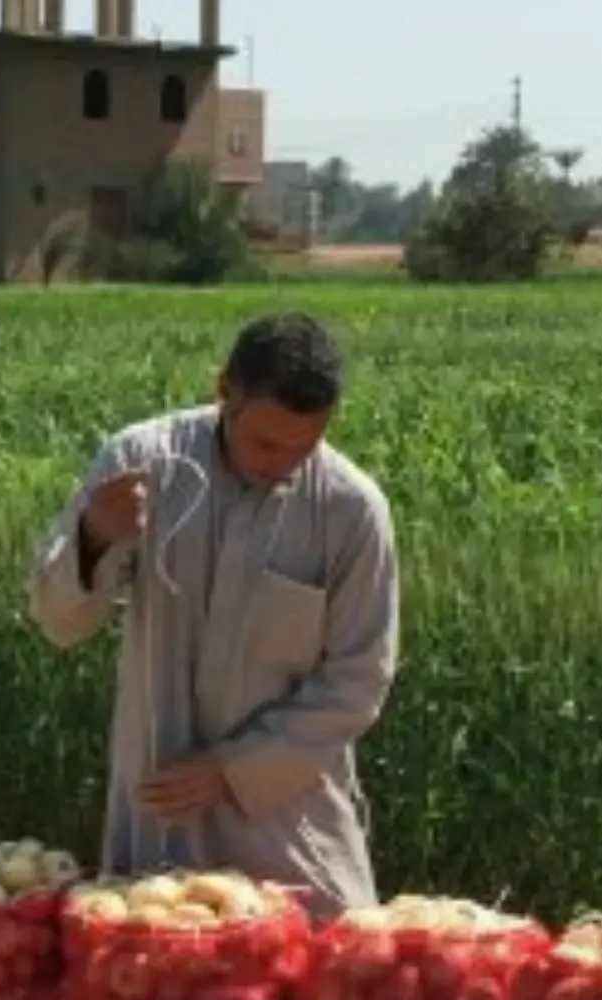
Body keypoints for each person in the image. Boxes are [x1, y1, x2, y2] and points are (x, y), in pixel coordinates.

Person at [26, 313, 398, 918]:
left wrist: (234, 770)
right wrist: (94, 537)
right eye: (265, 444)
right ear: (225, 390)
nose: (280, 465)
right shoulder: (141, 466)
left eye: (304, 448)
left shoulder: (351, 510)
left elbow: (357, 682)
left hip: (286, 825)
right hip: (161, 810)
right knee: (160, 986)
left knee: (312, 992)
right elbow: (59, 622)